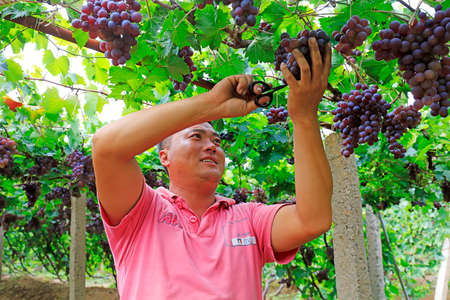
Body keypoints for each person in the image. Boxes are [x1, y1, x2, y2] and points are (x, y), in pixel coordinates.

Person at [92, 37, 333, 299]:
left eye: (216, 141)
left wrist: (304, 116)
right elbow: (106, 146)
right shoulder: (141, 213)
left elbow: (313, 219)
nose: (212, 146)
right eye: (196, 136)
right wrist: (212, 103)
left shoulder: (249, 219)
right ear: (164, 157)